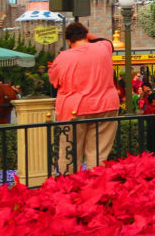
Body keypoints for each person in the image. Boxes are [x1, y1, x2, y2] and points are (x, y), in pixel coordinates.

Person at [48, 22, 121, 174]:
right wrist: (87, 35)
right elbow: (105, 40)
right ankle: (96, 185)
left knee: (70, 153)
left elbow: (54, 82)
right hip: (106, 106)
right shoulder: (103, 47)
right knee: (98, 154)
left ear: (68, 40)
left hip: (74, 109)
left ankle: (70, 186)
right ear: (86, 35)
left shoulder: (62, 58)